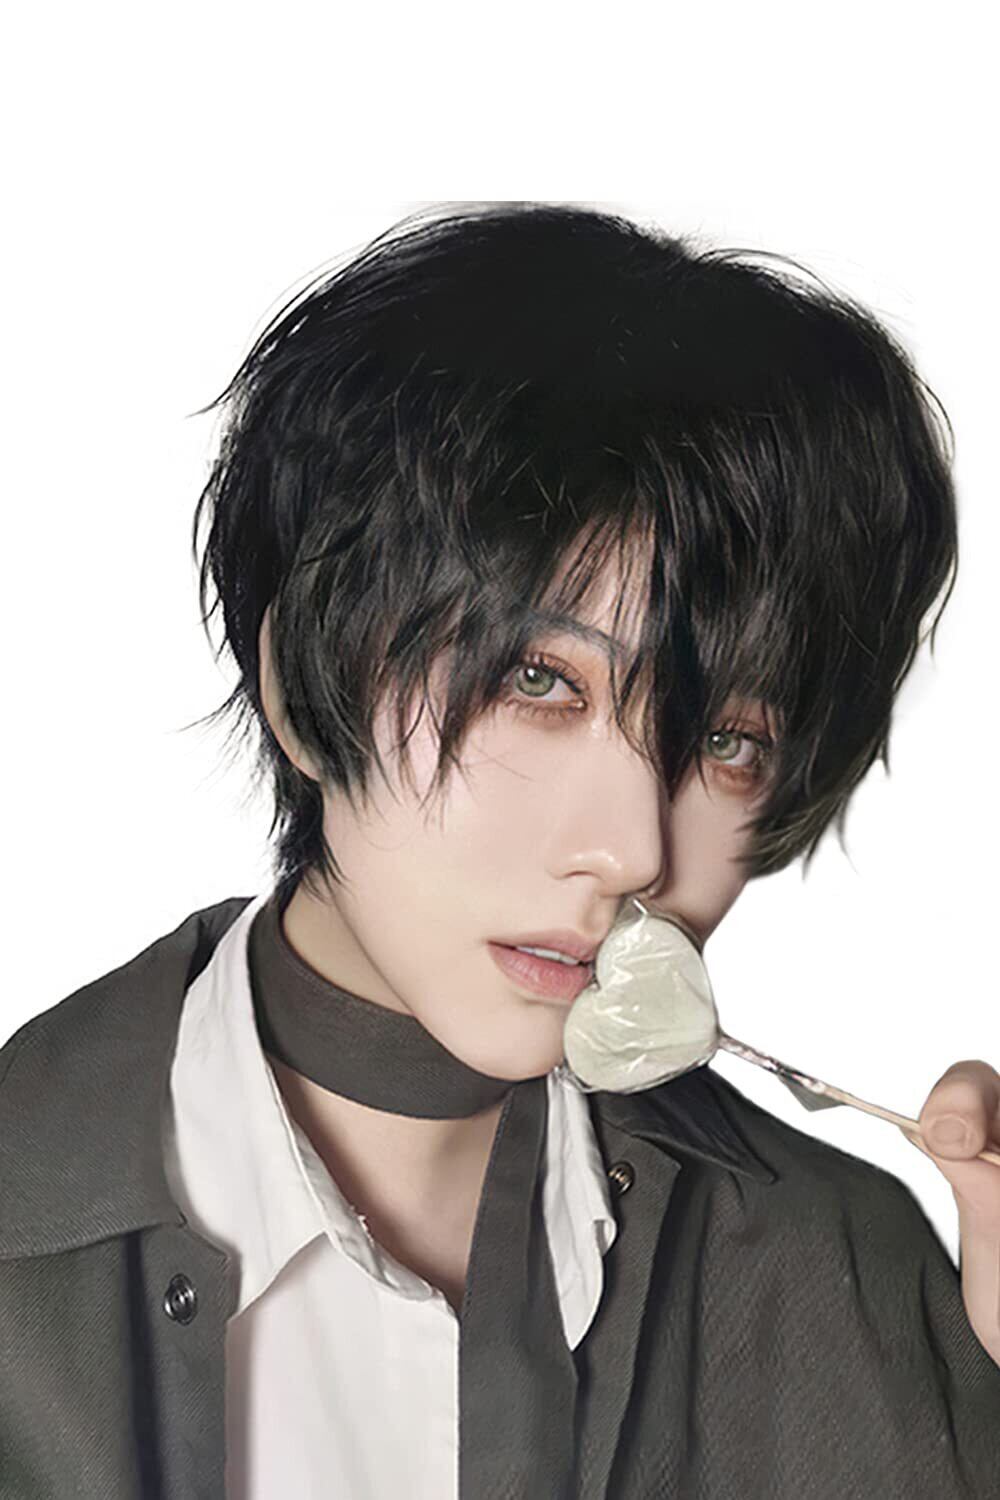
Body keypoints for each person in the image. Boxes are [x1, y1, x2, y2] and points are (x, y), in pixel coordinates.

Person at [1, 202, 997, 1499]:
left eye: (727, 744)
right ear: (306, 684)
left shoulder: (842, 1279)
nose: (632, 850)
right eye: (542, 682)